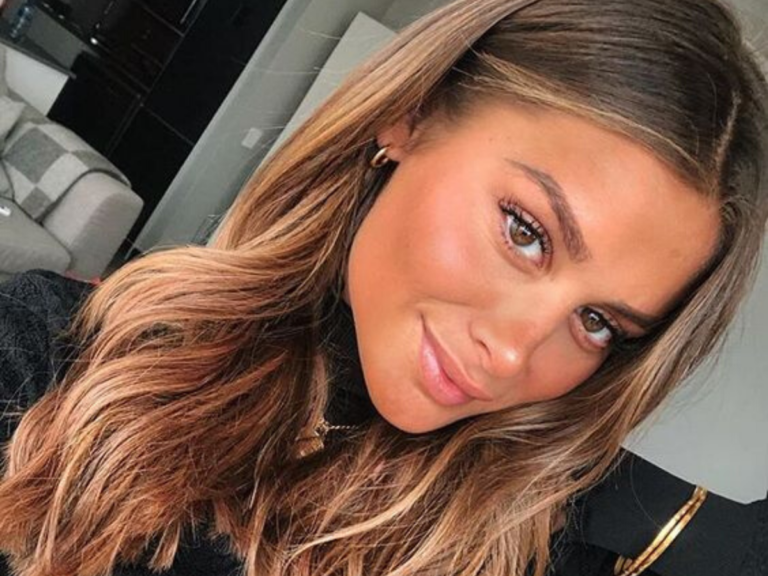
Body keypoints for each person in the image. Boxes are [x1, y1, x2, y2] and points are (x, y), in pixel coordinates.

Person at [0, 0, 766, 575]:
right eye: (526, 232)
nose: (512, 355)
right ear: (410, 116)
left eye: (598, 321)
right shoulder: (59, 365)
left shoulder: (530, 538)